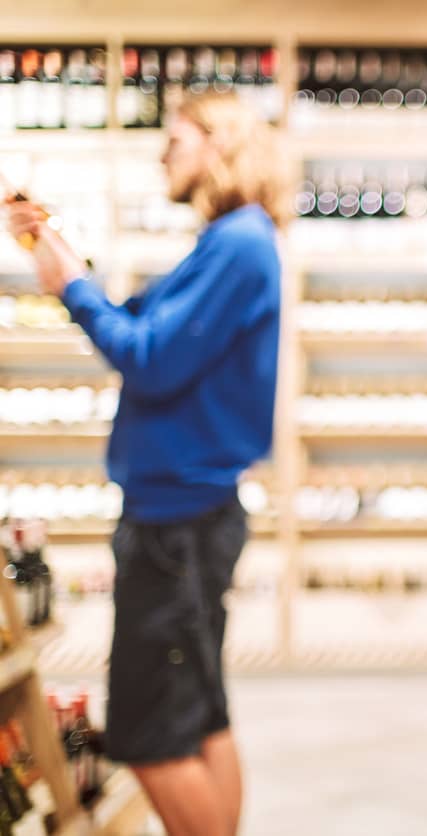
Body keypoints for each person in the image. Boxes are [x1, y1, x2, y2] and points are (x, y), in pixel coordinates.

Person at [4, 92, 287, 836]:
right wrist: (70, 270)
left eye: (176, 137)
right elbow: (145, 328)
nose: (164, 152)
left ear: (219, 146)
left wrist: (72, 289)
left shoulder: (238, 242)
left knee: (153, 738)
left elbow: (150, 359)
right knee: (198, 716)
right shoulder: (232, 241)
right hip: (189, 516)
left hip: (175, 526)